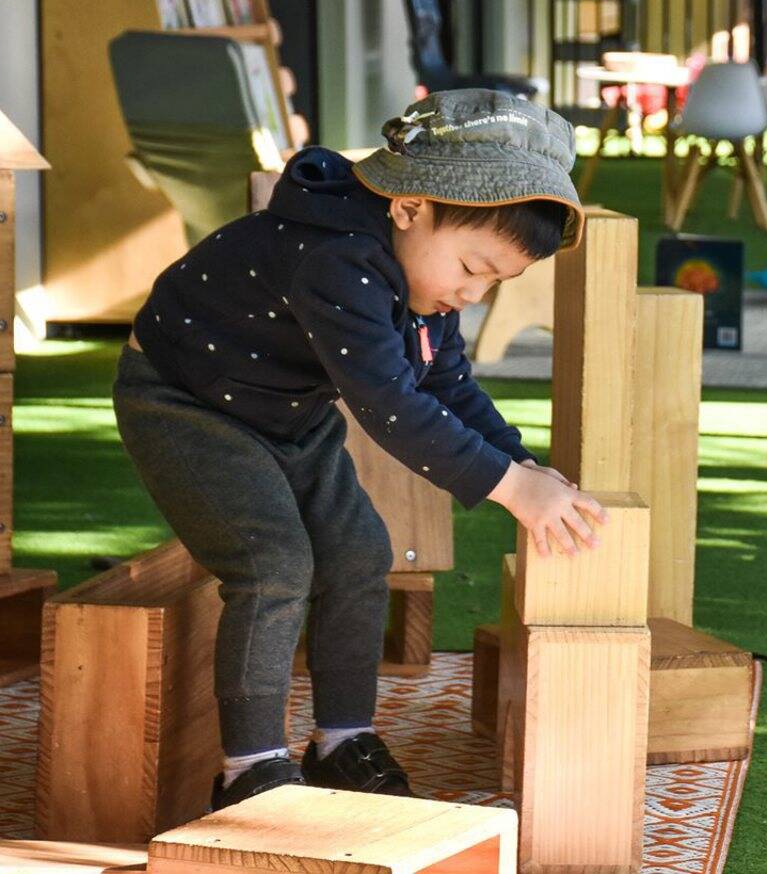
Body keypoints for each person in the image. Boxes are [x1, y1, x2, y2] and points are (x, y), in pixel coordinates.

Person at [112, 89, 606, 806]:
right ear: (409, 208)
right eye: (472, 268)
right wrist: (508, 486)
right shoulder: (336, 260)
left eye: (497, 282)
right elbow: (392, 406)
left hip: (286, 413)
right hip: (185, 405)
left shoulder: (422, 283)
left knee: (358, 554)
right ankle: (249, 767)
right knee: (273, 563)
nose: (473, 293)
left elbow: (443, 380)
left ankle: (342, 740)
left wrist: (519, 460)